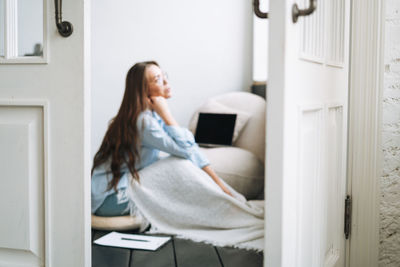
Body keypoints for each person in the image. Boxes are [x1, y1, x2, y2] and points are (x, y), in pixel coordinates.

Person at [91, 61, 232, 217]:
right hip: (109, 199)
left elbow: (190, 150)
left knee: (174, 163)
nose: (166, 82)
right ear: (143, 90)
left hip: (116, 192)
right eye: (157, 79)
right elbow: (186, 151)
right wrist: (167, 115)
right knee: (176, 164)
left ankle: (220, 198)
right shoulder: (144, 122)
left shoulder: (150, 116)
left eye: (164, 76)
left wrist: (218, 183)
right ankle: (213, 208)